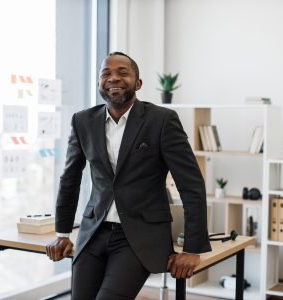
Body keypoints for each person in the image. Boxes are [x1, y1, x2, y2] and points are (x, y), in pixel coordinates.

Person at [46, 52, 211, 300]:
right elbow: (70, 178)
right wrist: (62, 233)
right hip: (93, 232)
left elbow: (191, 185)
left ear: (138, 83)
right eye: (106, 73)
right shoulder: (83, 121)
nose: (113, 78)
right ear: (100, 83)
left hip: (140, 236)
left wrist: (192, 249)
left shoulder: (162, 121)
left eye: (123, 72)